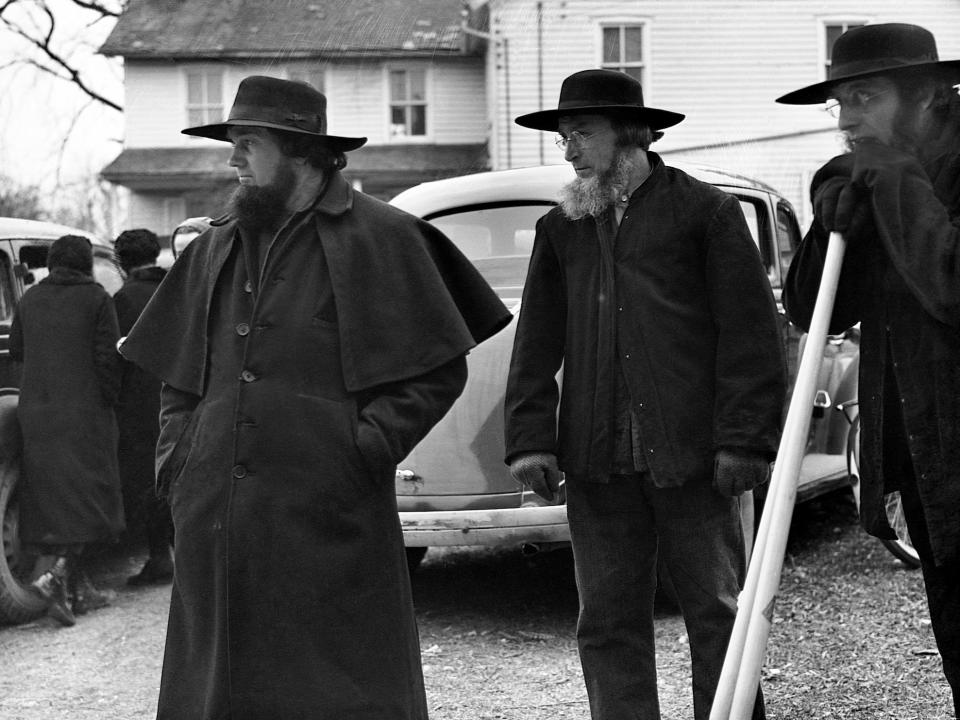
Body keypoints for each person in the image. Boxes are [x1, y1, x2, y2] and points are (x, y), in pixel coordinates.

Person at [118, 75, 512, 720]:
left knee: (337, 687)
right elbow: (177, 378)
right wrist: (180, 461)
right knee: (220, 690)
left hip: (329, 518)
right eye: (232, 144)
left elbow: (437, 371)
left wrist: (364, 446)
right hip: (215, 517)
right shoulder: (216, 244)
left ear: (300, 149)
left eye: (247, 144)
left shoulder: (384, 237)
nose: (232, 160)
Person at [504, 69, 786, 720]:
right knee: (605, 621)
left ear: (631, 134)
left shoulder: (704, 213)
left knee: (718, 615)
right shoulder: (562, 229)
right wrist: (529, 441)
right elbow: (536, 344)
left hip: (693, 462)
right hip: (598, 463)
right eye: (563, 136)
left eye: (581, 133)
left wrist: (745, 439)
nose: (568, 149)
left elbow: (750, 334)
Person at [778, 23, 960, 717]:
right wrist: (833, 220)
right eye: (840, 102)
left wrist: (893, 181)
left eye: (864, 95)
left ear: (926, 94)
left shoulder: (920, 170)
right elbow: (808, 308)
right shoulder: (881, 171)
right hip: (931, 466)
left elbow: (950, 285)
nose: (848, 117)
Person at [9, 234, 124, 626]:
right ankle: (55, 578)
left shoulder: (29, 299)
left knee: (54, 497)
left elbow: (18, 351)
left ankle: (77, 591)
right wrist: (111, 399)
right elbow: (108, 358)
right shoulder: (96, 299)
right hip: (85, 410)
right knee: (89, 494)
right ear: (85, 263)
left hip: (38, 412)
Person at [113, 229, 174, 586]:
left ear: (121, 261)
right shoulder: (178, 288)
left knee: (147, 480)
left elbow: (116, 354)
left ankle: (158, 557)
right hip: (183, 396)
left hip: (138, 403)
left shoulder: (123, 299)